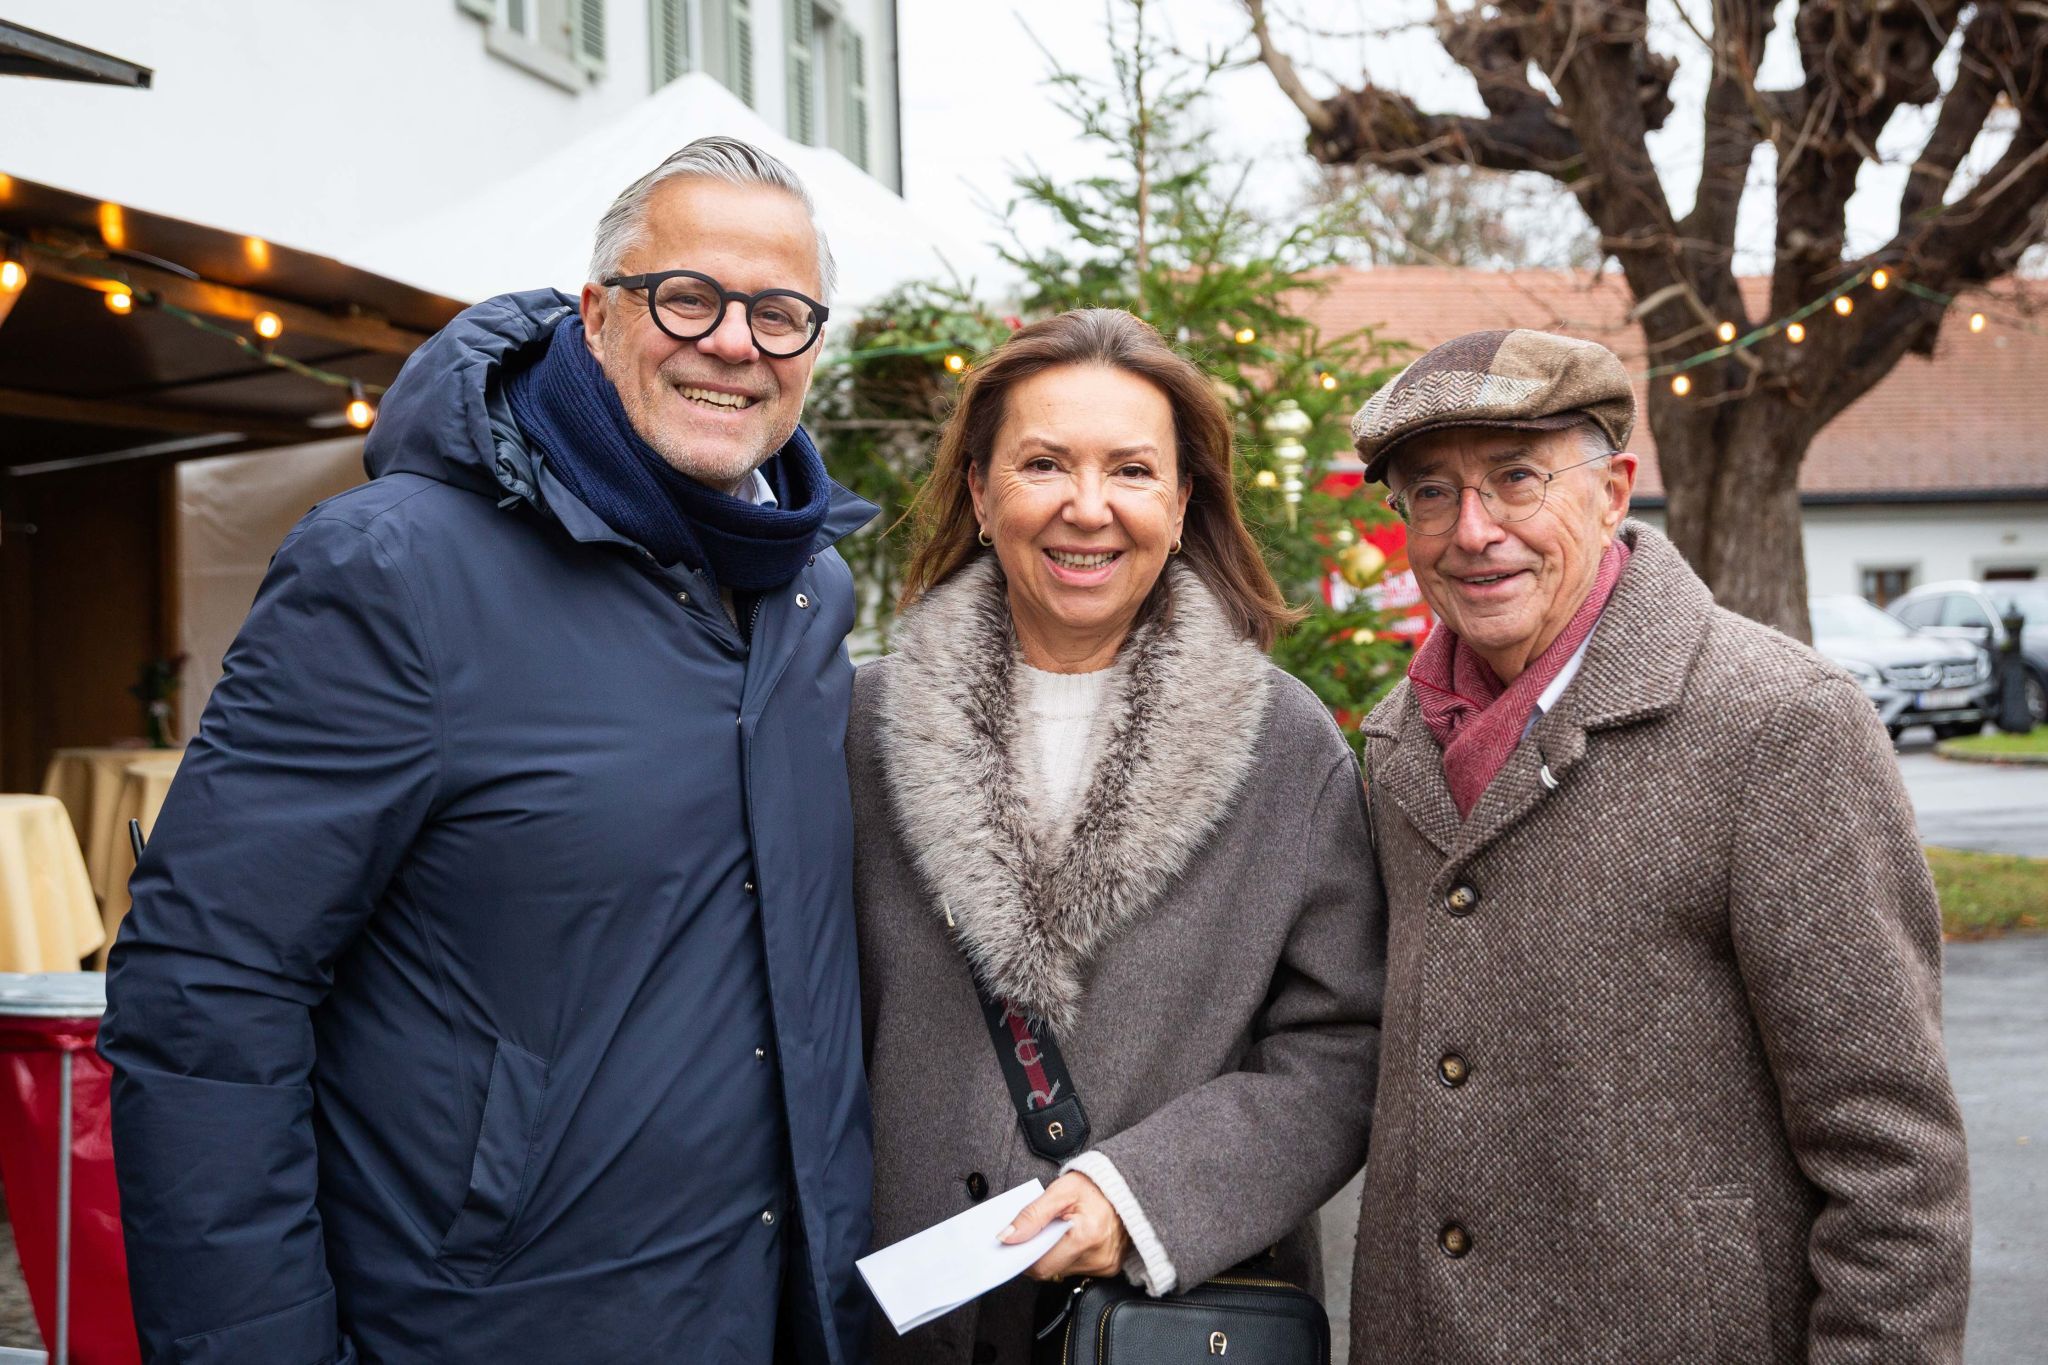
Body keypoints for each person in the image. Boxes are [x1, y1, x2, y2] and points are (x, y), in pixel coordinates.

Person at [100, 137, 877, 1364]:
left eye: (779, 314)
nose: (734, 343)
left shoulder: (805, 592)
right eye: (688, 297)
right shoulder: (393, 569)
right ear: (596, 311)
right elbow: (207, 991)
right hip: (484, 1323)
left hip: (766, 1309)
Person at [1344, 328, 1973, 1362]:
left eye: (1514, 479)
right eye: (1427, 492)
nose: (1471, 530)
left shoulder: (1777, 723)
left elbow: (1891, 1164)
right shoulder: (1396, 741)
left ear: (1612, 491)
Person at [850, 308, 1385, 1365]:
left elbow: (1345, 1044)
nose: (1085, 509)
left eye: (1131, 472)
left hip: (1161, 1322)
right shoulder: (854, 728)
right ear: (977, 489)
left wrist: (1142, 1196)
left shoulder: (1283, 746)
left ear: (1181, 504)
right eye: (1042, 463)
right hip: (893, 1319)